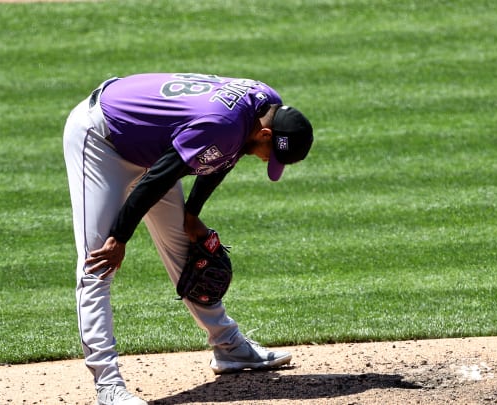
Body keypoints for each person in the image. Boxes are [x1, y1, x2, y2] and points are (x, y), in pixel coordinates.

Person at [62, 73, 313, 405]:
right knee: (98, 263)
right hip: (101, 138)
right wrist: (119, 238)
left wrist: (192, 212)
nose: (268, 161)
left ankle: (229, 347)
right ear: (266, 133)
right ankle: (107, 387)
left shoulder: (263, 104)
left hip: (152, 145)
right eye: (271, 153)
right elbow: (158, 178)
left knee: (186, 251)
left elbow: (226, 154)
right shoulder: (224, 124)